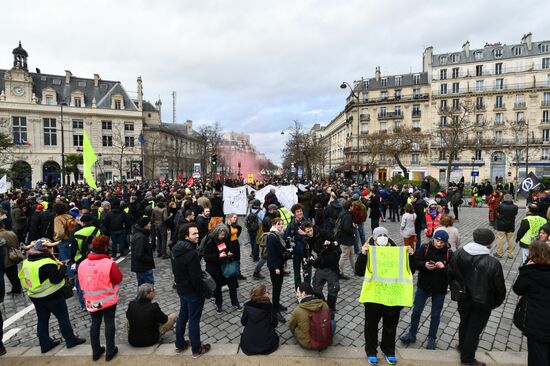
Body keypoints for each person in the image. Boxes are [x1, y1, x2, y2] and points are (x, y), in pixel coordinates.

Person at [355, 227, 414, 365]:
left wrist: (410, 255)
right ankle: (371, 351)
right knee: (371, 326)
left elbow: (411, 269)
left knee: (390, 327)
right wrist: (363, 254)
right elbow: (358, 271)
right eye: (379, 235)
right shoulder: (369, 249)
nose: (382, 237)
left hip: (392, 297)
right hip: (374, 297)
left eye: (384, 235)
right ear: (374, 238)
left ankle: (389, 350)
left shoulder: (397, 251)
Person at [449, 228, 506, 366]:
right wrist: (495, 302)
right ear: (489, 243)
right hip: (482, 301)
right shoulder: (492, 262)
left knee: (464, 323)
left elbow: (451, 274)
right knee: (474, 330)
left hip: (463, 297)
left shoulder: (459, 253)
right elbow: (499, 288)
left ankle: (463, 347)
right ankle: (467, 359)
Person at [18, 238, 86, 353]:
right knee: (62, 317)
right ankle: (70, 340)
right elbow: (56, 279)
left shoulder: (28, 261)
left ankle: (45, 344)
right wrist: (63, 267)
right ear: (47, 249)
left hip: (36, 296)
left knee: (42, 320)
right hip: (52, 296)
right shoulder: (47, 263)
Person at [400, 230, 453, 350]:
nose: (439, 244)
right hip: (423, 286)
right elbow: (415, 262)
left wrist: (444, 267)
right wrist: (424, 265)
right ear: (433, 239)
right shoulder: (425, 248)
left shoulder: (449, 253)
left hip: (439, 289)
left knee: (435, 315)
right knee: (416, 311)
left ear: (446, 242)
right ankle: (412, 334)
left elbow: (453, 272)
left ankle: (432, 338)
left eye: (442, 242)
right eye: (437, 241)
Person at [78, 235, 123, 361]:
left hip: (91, 300)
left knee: (95, 324)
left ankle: (96, 351)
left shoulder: (82, 264)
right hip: (108, 300)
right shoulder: (109, 263)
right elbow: (118, 279)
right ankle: (110, 350)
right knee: (109, 323)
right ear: (105, 247)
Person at [171, 223, 211, 357]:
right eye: (194, 234)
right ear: (186, 236)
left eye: (198, 233)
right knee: (194, 320)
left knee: (183, 316)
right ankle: (196, 349)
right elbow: (196, 278)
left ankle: (180, 344)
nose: (197, 235)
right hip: (193, 292)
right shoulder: (192, 253)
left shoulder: (176, 248)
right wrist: (205, 292)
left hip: (182, 289)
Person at [512, 241, 550, 366]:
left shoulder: (530, 272)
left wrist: (525, 268)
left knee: (536, 354)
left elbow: (518, 289)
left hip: (536, 320)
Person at [303, 221, 340, 316]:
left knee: (333, 289)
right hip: (320, 266)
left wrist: (330, 245)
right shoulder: (307, 238)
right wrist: (309, 258)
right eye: (307, 232)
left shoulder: (323, 233)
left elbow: (337, 243)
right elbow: (308, 252)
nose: (310, 233)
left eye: (311, 230)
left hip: (331, 265)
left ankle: (331, 309)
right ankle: (324, 304)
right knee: (316, 287)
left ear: (312, 227)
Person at [203, 224, 241, 312]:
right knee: (218, 287)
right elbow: (206, 257)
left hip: (227, 266)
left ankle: (235, 303)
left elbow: (229, 248)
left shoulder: (225, 240)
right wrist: (218, 256)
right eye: (222, 234)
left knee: (232, 285)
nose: (223, 236)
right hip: (216, 269)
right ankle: (218, 304)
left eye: (224, 234)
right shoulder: (210, 242)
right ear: (217, 233)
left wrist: (229, 253)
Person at [126, 283, 178, 347]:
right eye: (153, 290)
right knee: (173, 316)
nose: (155, 292)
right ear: (148, 294)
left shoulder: (131, 304)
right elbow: (164, 320)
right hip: (150, 340)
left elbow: (128, 316)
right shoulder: (153, 307)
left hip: (132, 341)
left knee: (128, 319)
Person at [289, 282, 334, 350]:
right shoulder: (324, 304)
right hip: (325, 340)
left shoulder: (298, 309)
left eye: (297, 292)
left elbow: (291, 325)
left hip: (308, 344)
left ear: (303, 293)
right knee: (333, 323)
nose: (296, 294)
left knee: (293, 328)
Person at [239, 284, 279, 355]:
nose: (268, 294)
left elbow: (243, 322)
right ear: (261, 295)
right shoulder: (270, 306)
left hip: (249, 344)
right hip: (266, 344)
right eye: (267, 292)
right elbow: (274, 323)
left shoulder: (248, 305)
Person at [71, 214, 100, 310]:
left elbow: (73, 250)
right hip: (96, 258)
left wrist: (72, 261)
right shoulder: (97, 231)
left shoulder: (77, 234)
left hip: (81, 260)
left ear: (82, 222)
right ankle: (97, 301)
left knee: (80, 284)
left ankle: (83, 305)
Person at [266, 217, 288, 323]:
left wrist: (284, 261)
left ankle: (277, 304)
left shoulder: (279, 235)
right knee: (276, 287)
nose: (281, 226)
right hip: (275, 266)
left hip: (279, 264)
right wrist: (276, 268)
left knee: (279, 286)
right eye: (279, 224)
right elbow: (271, 254)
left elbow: (280, 250)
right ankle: (275, 309)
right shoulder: (272, 236)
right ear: (274, 225)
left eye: (282, 224)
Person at [284, 204, 308, 288]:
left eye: (301, 211)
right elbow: (286, 238)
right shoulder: (291, 225)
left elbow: (312, 234)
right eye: (297, 211)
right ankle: (298, 291)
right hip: (296, 252)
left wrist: (305, 234)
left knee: (306, 273)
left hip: (306, 252)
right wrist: (298, 237)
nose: (300, 213)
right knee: (297, 274)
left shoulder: (307, 222)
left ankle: (306, 290)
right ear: (294, 213)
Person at [0, 220, 23, 295]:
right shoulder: (11, 233)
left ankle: (16, 290)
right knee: (14, 275)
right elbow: (17, 244)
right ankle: (17, 288)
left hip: (4, 260)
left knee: (9, 276)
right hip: (13, 257)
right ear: (3, 225)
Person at [130, 217, 155, 286]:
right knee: (148, 288)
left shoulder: (140, 234)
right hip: (144, 267)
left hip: (141, 267)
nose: (150, 225)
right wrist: (150, 259)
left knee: (142, 288)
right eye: (149, 223)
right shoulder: (140, 237)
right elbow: (139, 254)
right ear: (145, 225)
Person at [494, 194, 519, 258]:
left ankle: (499, 253)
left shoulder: (500, 205)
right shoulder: (515, 207)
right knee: (510, 239)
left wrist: (499, 217)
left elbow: (495, 211)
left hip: (501, 225)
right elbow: (515, 214)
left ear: (504, 199)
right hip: (510, 224)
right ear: (511, 199)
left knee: (500, 239)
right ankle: (510, 254)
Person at [336, 200, 356, 280]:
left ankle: (355, 269)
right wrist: (353, 230)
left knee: (351, 255)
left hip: (346, 239)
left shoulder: (343, 213)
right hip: (346, 239)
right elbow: (346, 228)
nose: (353, 207)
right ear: (349, 207)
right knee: (344, 256)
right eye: (352, 206)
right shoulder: (348, 216)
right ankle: (339, 272)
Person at [226, 213, 246, 280]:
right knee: (232, 260)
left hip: (236, 243)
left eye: (236, 217)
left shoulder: (236, 225)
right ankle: (232, 275)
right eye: (234, 217)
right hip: (230, 244)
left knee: (237, 259)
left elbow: (238, 232)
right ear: (230, 218)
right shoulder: (227, 226)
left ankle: (238, 274)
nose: (235, 218)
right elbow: (226, 237)